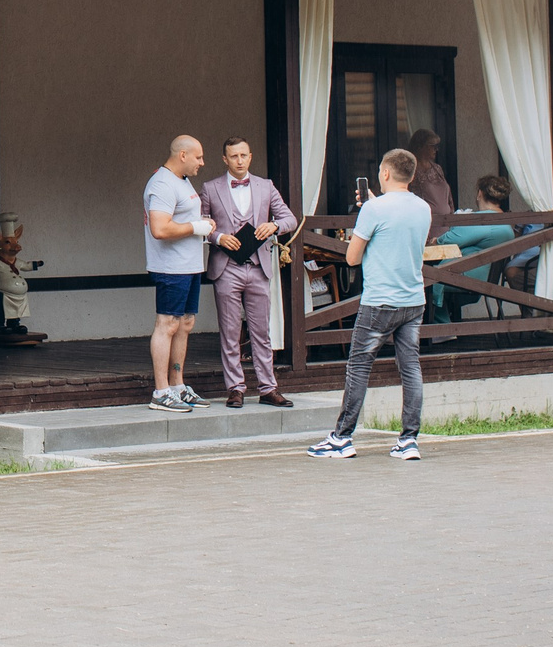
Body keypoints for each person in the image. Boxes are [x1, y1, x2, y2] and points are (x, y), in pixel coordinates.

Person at [309, 147, 430, 461]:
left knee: (359, 367)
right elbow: (399, 230)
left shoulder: (373, 210)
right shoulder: (423, 208)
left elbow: (352, 257)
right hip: (413, 299)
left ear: (385, 173)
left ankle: (342, 437)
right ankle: (408, 440)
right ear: (413, 175)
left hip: (379, 301)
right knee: (411, 368)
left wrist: (370, 212)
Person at [199, 136, 298, 407]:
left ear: (250, 156)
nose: (239, 161)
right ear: (225, 159)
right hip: (226, 267)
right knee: (230, 332)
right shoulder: (209, 188)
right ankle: (235, 388)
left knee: (261, 332)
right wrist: (218, 237)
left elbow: (290, 218)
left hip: (258, 267)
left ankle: (268, 388)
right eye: (234, 156)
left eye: (244, 155)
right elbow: (200, 226)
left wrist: (274, 227)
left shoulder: (266, 187)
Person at [143, 136, 218, 412]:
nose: (202, 162)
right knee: (167, 324)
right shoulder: (162, 183)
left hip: (190, 265)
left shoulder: (182, 181)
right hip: (171, 268)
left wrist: (201, 225)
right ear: (183, 155)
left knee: (185, 324)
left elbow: (184, 220)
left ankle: (177, 385)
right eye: (198, 157)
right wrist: (196, 227)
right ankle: (161, 391)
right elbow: (159, 229)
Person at [434, 176, 519, 321]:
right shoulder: (504, 222)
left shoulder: (484, 220)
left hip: (467, 276)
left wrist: (436, 239)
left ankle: (440, 327)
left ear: (480, 193)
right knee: (432, 276)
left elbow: (450, 239)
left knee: (427, 278)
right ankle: (443, 326)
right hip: (486, 276)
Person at [406, 129, 455, 239]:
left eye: (437, 146)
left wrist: (452, 219)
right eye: (432, 146)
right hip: (426, 227)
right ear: (421, 146)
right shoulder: (411, 170)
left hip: (445, 225)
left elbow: (448, 197)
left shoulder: (437, 168)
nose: (435, 150)